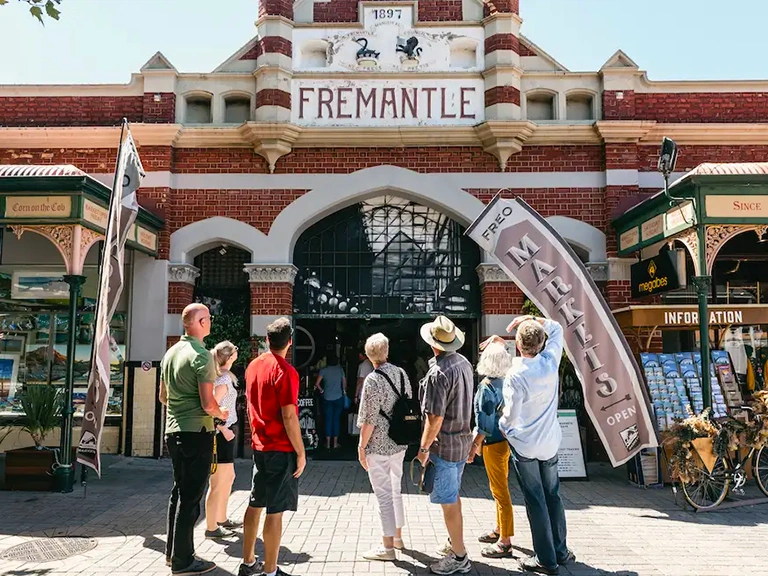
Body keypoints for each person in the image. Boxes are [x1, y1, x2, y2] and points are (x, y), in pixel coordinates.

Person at [486, 315, 575, 576]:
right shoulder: (550, 362)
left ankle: (546, 560)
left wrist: (505, 428)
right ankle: (560, 550)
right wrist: (531, 318)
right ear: (540, 343)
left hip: (525, 445)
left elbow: (511, 415)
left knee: (535, 500)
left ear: (518, 344)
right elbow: (557, 327)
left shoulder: (515, 374)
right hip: (549, 443)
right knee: (553, 496)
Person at [159, 303, 228, 576]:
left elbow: (163, 397)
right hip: (196, 432)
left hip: (173, 429)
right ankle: (184, 561)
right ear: (200, 322)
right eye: (208, 318)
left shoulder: (171, 353)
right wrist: (220, 412)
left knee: (179, 491)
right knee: (191, 497)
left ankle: (173, 552)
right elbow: (207, 403)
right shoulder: (201, 356)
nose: (210, 322)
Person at [240, 317, 307, 576]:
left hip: (260, 445)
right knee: (275, 510)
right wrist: (301, 452)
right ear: (289, 342)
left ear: (267, 340)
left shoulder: (253, 366)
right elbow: (289, 416)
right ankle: (270, 571)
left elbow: (249, 406)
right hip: (281, 447)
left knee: (256, 502)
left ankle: (247, 562)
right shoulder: (287, 372)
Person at [417, 316, 474, 575]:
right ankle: (455, 543)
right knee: (454, 497)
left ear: (433, 344)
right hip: (461, 442)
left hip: (445, 446)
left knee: (448, 502)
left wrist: (423, 448)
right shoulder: (463, 363)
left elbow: (434, 417)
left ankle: (459, 556)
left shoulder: (438, 373)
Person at [356, 333, 411, 561]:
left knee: (383, 495)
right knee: (395, 489)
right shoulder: (401, 374)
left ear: (369, 356)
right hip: (399, 441)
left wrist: (361, 446)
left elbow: (369, 420)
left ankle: (387, 548)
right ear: (386, 352)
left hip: (378, 445)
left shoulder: (372, 379)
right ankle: (397, 538)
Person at [467, 342, 515, 558]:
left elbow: (484, 424)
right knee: (500, 487)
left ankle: (505, 540)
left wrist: (473, 445)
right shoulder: (506, 383)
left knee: (500, 491)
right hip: (505, 441)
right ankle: (499, 529)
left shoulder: (486, 387)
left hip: (492, 443)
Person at [204, 341, 242, 539]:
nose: (237, 353)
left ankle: (221, 518)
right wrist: (222, 428)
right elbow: (211, 407)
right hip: (222, 434)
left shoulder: (224, 377)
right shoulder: (223, 380)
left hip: (227, 432)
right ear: (229, 356)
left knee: (228, 478)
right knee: (218, 481)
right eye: (234, 351)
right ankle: (211, 526)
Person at [315, 352, 346, 449]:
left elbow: (317, 384)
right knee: (336, 419)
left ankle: (328, 444)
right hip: (338, 397)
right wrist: (344, 391)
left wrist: (321, 390)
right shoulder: (340, 370)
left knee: (328, 419)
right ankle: (335, 443)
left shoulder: (323, 370)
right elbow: (344, 383)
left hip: (327, 397)